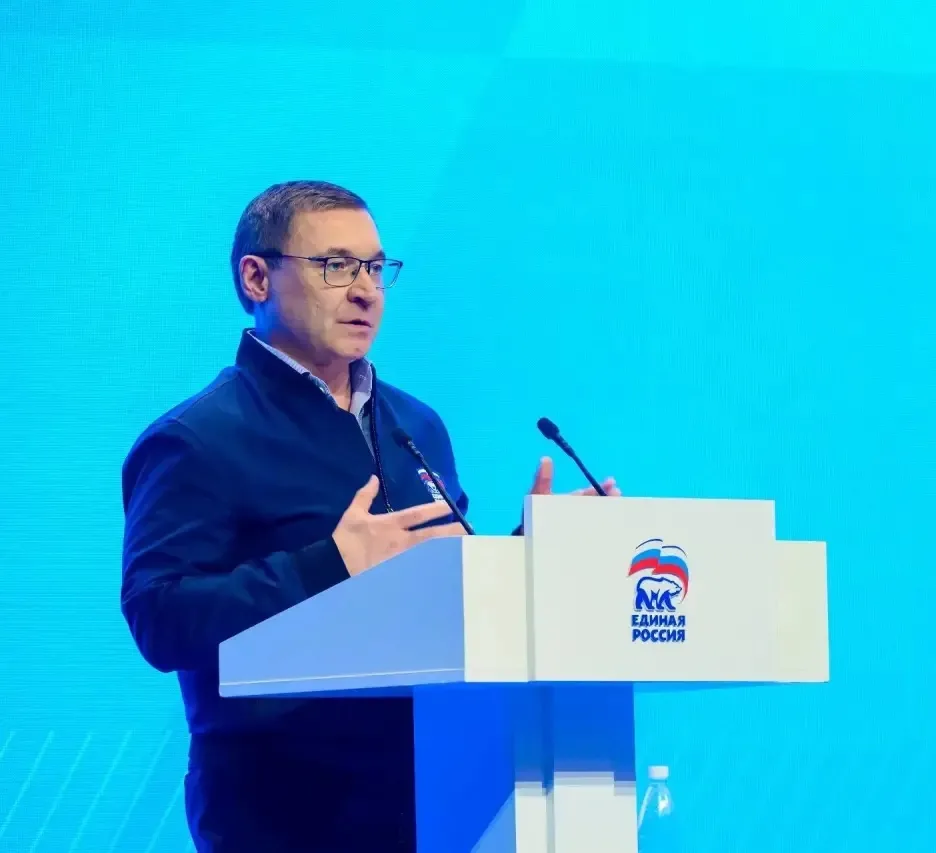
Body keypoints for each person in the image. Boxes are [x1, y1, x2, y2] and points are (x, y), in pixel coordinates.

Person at [120, 180, 620, 853]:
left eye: (376, 268)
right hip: (284, 814)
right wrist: (331, 563)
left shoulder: (416, 423)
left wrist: (525, 554)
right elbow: (160, 619)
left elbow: (444, 592)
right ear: (257, 278)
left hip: (443, 793)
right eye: (336, 266)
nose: (366, 291)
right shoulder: (197, 438)